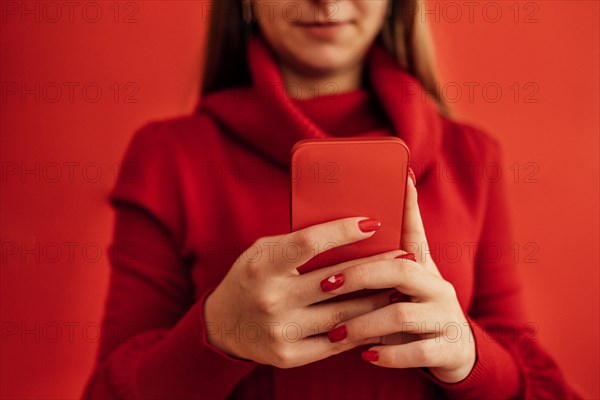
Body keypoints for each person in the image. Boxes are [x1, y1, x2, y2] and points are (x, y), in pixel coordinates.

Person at [83, 1, 581, 398]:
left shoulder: (472, 155)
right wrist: (218, 335)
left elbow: (539, 381)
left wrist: (468, 354)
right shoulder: (168, 155)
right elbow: (108, 390)